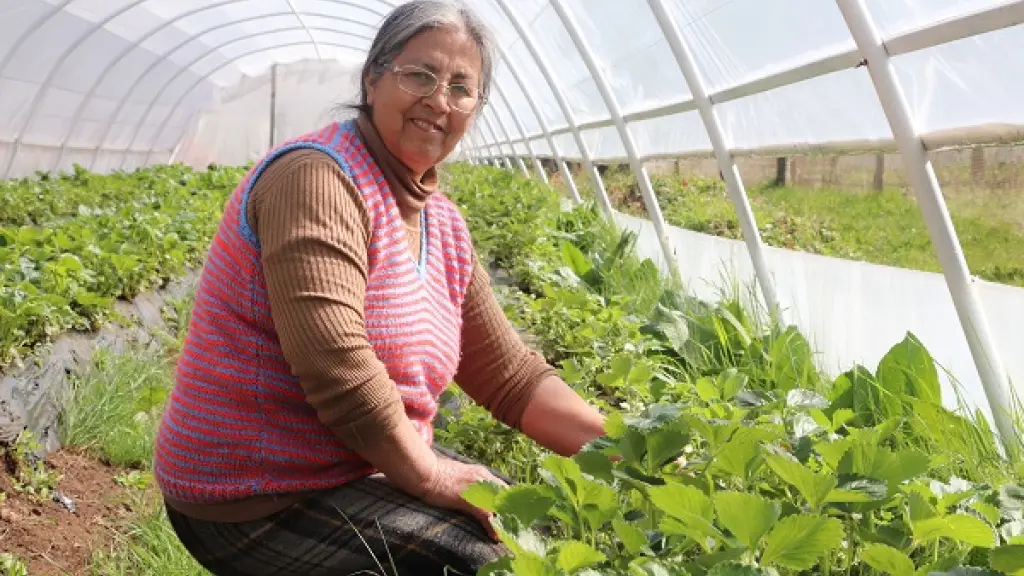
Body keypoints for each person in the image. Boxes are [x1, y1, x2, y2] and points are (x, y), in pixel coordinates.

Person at [152, 1, 607, 574]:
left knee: (525, 526)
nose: (439, 100)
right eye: (419, 75)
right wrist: (435, 474)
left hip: (353, 463)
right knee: (483, 562)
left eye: (462, 88)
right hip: (254, 493)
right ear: (373, 79)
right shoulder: (316, 179)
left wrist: (625, 450)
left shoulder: (441, 222)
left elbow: (509, 376)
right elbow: (337, 367)